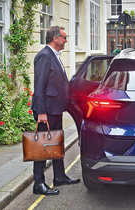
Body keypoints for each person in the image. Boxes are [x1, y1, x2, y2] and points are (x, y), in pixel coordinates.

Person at [31, 26, 80, 195]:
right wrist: (41, 112)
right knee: (42, 147)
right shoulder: (44, 56)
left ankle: (59, 176)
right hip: (46, 111)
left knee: (56, 143)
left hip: (55, 109)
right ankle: (38, 183)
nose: (66, 41)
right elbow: (39, 86)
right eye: (64, 37)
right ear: (55, 38)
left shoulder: (55, 56)